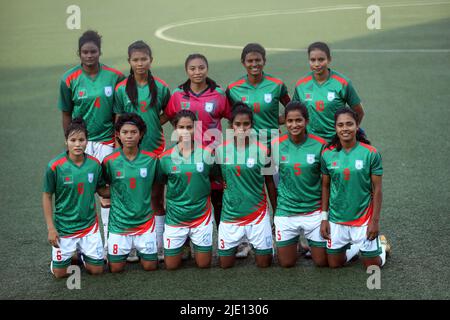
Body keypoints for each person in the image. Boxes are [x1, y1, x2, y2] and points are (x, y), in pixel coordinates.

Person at [58, 30, 125, 253]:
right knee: (81, 190)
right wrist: (70, 141)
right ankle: (78, 244)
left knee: (106, 193)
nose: (89, 56)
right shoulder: (68, 79)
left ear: (99, 52)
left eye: (93, 51)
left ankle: (109, 244)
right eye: (85, 52)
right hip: (81, 142)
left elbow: (119, 112)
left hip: (107, 141)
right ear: (79, 53)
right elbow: (66, 113)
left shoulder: (115, 76)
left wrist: (118, 142)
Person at [226, 43, 290, 257]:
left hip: (271, 146)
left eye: (258, 60)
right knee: (245, 189)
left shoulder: (276, 85)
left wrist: (277, 121)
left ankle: (281, 229)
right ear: (243, 63)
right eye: (250, 61)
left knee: (275, 188)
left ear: (264, 61)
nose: (254, 64)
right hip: (244, 147)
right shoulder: (233, 89)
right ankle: (244, 240)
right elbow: (231, 118)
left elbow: (291, 110)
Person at [164, 53, 231, 256]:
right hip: (185, 156)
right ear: (187, 71)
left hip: (213, 156)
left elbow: (234, 117)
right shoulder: (177, 95)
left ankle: (224, 240)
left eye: (201, 67)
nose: (197, 72)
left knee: (218, 196)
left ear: (207, 69)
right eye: (192, 68)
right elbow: (169, 117)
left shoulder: (218, 94)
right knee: (185, 195)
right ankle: (183, 244)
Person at [114, 40, 170, 262]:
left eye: (143, 59)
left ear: (151, 60)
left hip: (154, 150)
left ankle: (158, 245)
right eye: (135, 60)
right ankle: (133, 245)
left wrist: (154, 122)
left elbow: (170, 113)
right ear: (129, 61)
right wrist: (121, 147)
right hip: (128, 154)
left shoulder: (162, 87)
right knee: (133, 199)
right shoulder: (121, 89)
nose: (140, 63)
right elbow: (118, 121)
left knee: (156, 197)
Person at [320, 108, 391, 269]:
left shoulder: (371, 153)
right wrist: (324, 217)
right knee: (334, 264)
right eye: (340, 125)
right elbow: (325, 186)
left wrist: (375, 221)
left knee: (372, 266)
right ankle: (357, 247)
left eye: (349, 124)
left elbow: (378, 189)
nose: (345, 128)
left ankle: (382, 248)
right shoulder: (327, 154)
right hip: (337, 219)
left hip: (363, 219)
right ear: (335, 128)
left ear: (357, 126)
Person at [43, 118, 109, 278]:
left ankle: (81, 255)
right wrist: (51, 228)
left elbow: (102, 191)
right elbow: (47, 196)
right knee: (60, 274)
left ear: (87, 141)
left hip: (89, 227)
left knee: (97, 271)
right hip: (64, 228)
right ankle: (65, 258)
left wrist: (124, 186)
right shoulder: (55, 166)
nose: (77, 144)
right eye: (73, 140)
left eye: (81, 140)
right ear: (66, 141)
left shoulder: (94, 164)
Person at [215, 103, 277, 268]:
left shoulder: (264, 150)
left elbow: (270, 182)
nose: (241, 128)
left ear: (252, 126)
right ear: (231, 126)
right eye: (237, 124)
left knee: (264, 264)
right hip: (230, 216)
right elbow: (216, 177)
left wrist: (276, 212)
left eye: (246, 124)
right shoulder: (220, 151)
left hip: (257, 215)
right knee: (224, 264)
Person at [272, 101, 328, 267]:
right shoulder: (276, 145)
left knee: (322, 262)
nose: (294, 125)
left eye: (299, 120)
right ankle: (297, 243)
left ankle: (352, 247)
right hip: (286, 212)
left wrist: (325, 215)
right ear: (285, 122)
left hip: (314, 211)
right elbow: (273, 180)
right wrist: (276, 212)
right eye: (290, 121)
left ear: (307, 121)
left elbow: (326, 182)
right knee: (286, 263)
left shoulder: (320, 144)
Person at [103, 113, 161, 273]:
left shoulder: (152, 160)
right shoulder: (109, 161)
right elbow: (102, 187)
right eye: (125, 132)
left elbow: (157, 185)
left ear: (141, 134)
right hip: (119, 224)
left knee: (150, 267)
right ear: (118, 135)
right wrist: (116, 193)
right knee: (115, 269)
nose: (129, 136)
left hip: (145, 223)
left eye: (133, 132)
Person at [159, 110, 216, 270]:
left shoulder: (207, 153)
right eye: (181, 127)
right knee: (171, 266)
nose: (185, 131)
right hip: (175, 219)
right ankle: (183, 245)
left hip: (201, 217)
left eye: (189, 127)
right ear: (174, 129)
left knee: (203, 265)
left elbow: (214, 176)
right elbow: (161, 181)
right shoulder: (165, 158)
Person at [292, 42, 364, 141]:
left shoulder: (342, 83)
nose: (317, 64)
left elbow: (359, 111)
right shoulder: (301, 85)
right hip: (311, 141)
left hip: (337, 141)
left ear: (329, 59)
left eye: (321, 59)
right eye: (313, 60)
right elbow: (295, 113)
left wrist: (350, 132)